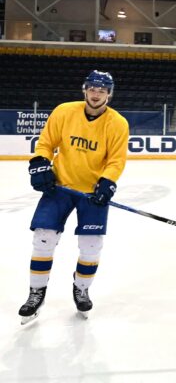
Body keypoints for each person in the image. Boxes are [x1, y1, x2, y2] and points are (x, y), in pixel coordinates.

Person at [19, 70, 129, 324]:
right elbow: (46, 142)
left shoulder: (118, 123)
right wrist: (40, 162)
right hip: (59, 188)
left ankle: (81, 289)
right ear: (84, 89)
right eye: (92, 88)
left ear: (109, 94)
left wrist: (108, 182)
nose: (96, 93)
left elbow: (116, 160)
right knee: (43, 239)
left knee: (91, 246)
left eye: (102, 89)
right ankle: (36, 292)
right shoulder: (64, 111)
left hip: (91, 194)